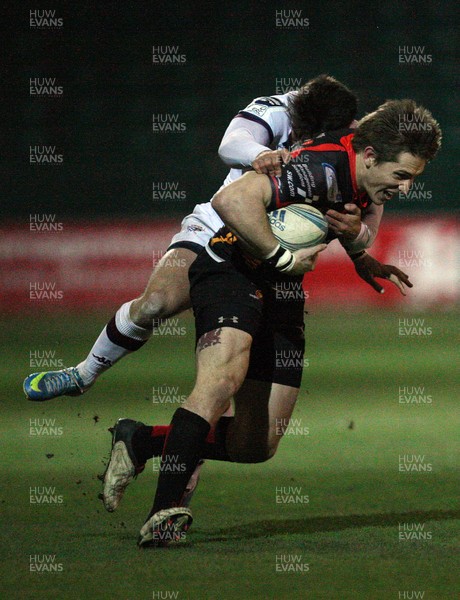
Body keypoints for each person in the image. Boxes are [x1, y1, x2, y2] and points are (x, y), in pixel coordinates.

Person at [106, 99, 441, 547]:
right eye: (400, 176)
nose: (404, 188)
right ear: (369, 156)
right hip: (229, 268)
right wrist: (280, 255)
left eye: (412, 179)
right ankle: (163, 515)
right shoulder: (321, 166)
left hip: (281, 288)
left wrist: (360, 257)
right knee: (221, 379)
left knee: (255, 444)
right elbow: (231, 198)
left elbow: (335, 222)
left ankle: (142, 439)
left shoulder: (363, 181)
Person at [23, 75, 410, 403]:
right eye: (302, 135)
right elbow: (231, 144)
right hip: (222, 222)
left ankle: (180, 451)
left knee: (225, 389)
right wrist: (261, 153)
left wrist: (360, 250)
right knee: (156, 303)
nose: (307, 141)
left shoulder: (354, 140)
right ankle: (82, 374)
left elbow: (361, 204)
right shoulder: (276, 109)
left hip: (274, 254)